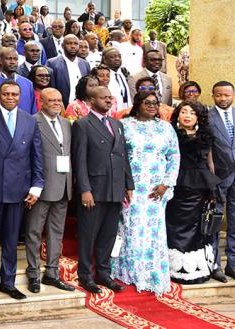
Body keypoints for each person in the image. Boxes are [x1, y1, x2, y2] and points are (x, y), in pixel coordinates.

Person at [0, 80, 44, 301]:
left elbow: (37, 155)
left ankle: (8, 282)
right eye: (6, 94)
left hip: (19, 189)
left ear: (20, 96)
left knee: (11, 238)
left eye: (15, 94)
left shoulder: (30, 121)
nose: (10, 98)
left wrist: (36, 186)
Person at [112, 91, 180, 295]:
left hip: (156, 189)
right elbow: (118, 156)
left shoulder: (166, 127)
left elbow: (174, 156)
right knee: (130, 229)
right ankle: (129, 272)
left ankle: (151, 273)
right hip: (131, 187)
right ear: (137, 104)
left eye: (155, 103)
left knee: (153, 232)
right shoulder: (124, 125)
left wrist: (166, 184)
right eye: (147, 102)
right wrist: (123, 184)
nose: (152, 106)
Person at [72, 86, 135, 295]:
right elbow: (79, 160)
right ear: (91, 101)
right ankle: (86, 276)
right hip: (94, 189)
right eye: (103, 98)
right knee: (89, 235)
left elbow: (123, 156)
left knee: (108, 234)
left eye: (110, 97)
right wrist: (84, 189)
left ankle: (104, 274)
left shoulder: (117, 124)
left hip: (115, 187)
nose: (108, 100)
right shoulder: (83, 124)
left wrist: (129, 184)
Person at [25, 88, 76, 293]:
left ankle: (52, 273)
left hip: (63, 186)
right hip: (41, 187)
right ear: (42, 102)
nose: (56, 103)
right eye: (52, 100)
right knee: (34, 231)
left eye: (59, 100)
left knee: (57, 232)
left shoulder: (66, 123)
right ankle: (33, 273)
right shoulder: (32, 122)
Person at [167, 100, 221, 284]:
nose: (187, 116)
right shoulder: (170, 133)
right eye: (184, 111)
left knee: (197, 227)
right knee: (176, 225)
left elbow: (209, 162)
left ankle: (196, 270)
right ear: (178, 114)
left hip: (200, 186)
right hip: (177, 185)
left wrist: (212, 188)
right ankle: (175, 269)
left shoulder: (206, 134)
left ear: (198, 117)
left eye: (192, 112)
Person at [209, 81, 235, 282]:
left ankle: (232, 264)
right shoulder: (208, 117)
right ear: (213, 96)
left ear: (233, 95)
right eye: (219, 95)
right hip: (219, 176)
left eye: (227, 95)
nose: (223, 98)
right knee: (215, 221)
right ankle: (215, 265)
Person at [47, 34, 90, 107]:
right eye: (69, 43)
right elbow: (50, 88)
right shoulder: (52, 63)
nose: (73, 46)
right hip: (61, 107)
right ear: (62, 46)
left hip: (83, 107)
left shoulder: (85, 64)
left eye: (76, 44)